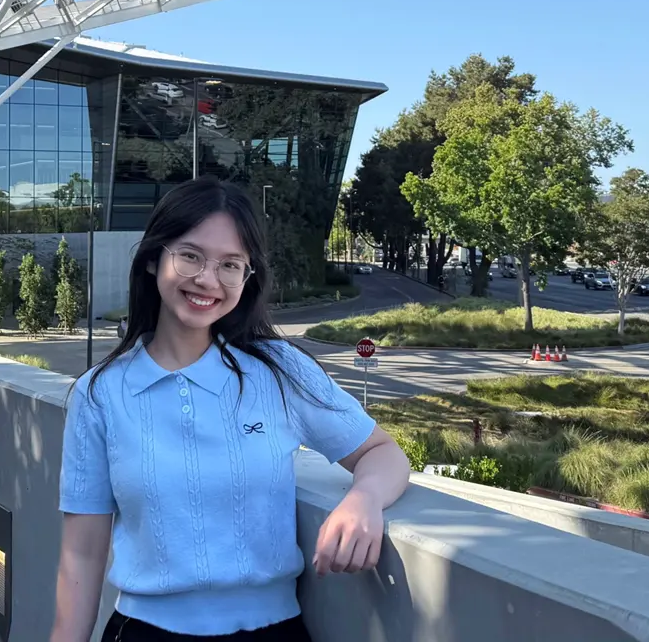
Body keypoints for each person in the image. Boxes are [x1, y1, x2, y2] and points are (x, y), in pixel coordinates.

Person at [51, 177, 410, 642]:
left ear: (248, 276)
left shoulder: (280, 371)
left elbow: (381, 452)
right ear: (154, 258)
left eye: (230, 265)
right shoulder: (99, 394)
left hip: (272, 632)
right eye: (191, 256)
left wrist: (363, 501)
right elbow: (81, 556)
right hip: (145, 632)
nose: (207, 279)